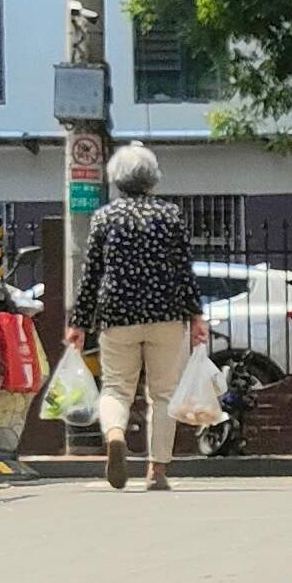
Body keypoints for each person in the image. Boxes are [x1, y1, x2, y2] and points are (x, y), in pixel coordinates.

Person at [65, 140, 207, 492]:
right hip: (166, 314)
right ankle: (156, 471)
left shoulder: (104, 218)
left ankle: (115, 436)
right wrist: (196, 316)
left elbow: (91, 274)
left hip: (117, 314)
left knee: (116, 388)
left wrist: (79, 323)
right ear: (152, 177)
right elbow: (182, 271)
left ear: (116, 178)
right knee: (162, 394)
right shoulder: (170, 215)